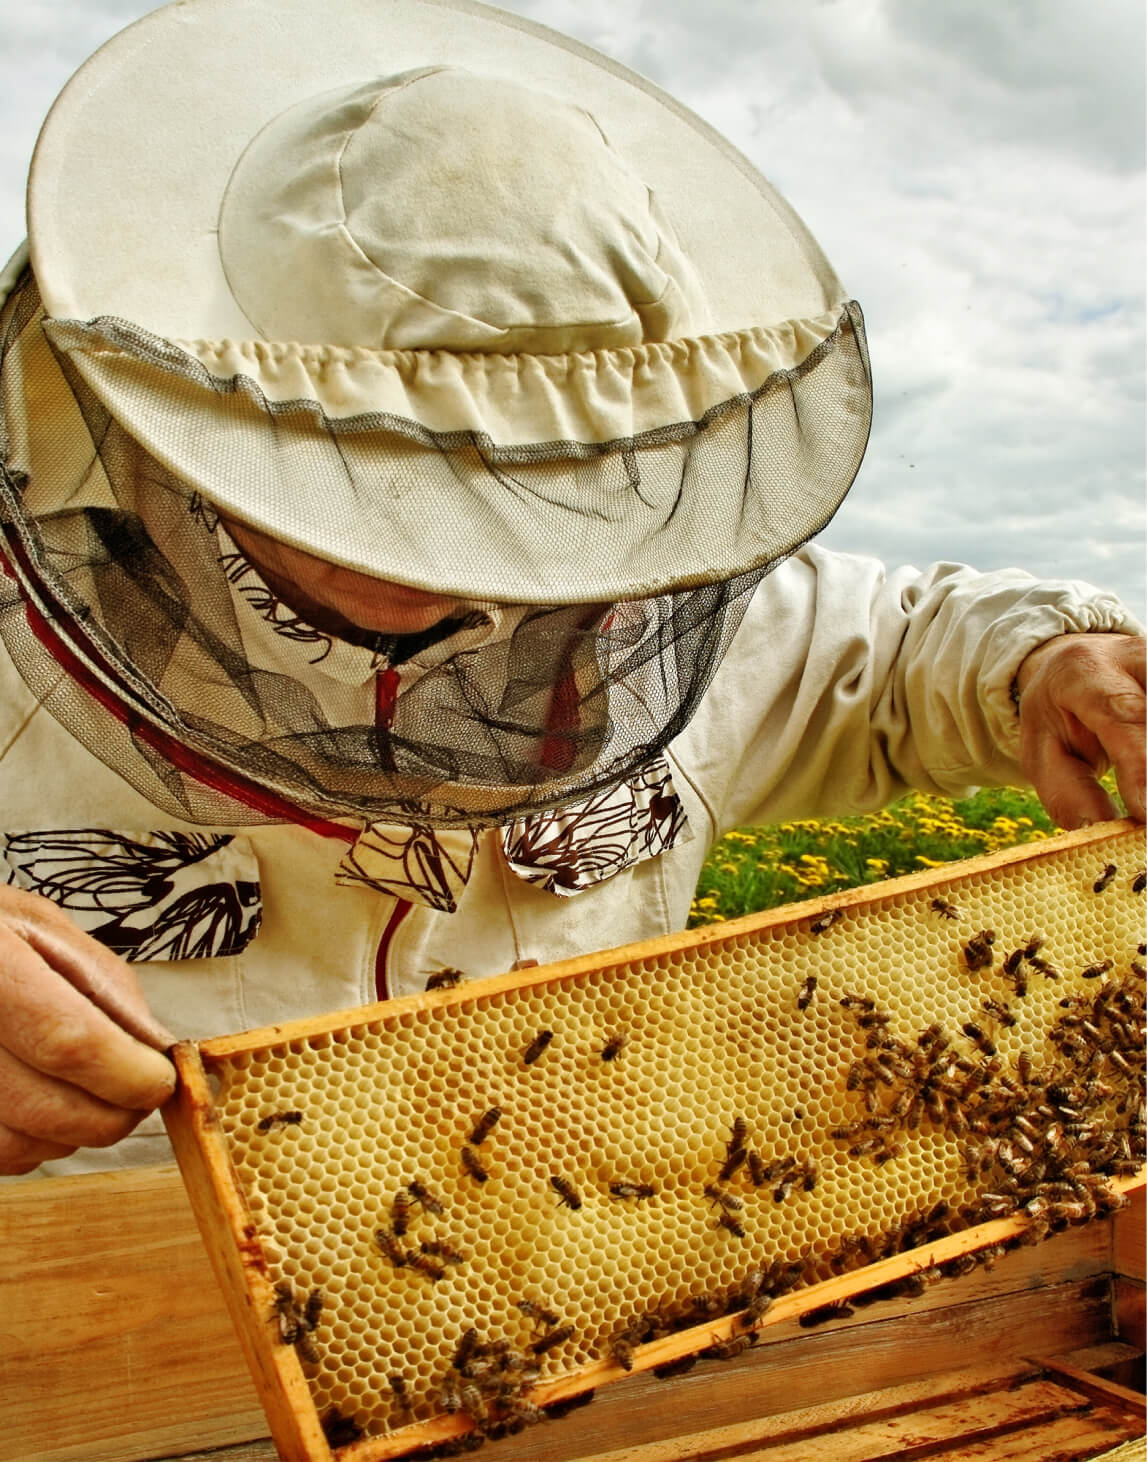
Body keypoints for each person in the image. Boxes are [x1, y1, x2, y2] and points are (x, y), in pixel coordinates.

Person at [0, 0, 1142, 1180]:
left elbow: (904, 650)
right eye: (367, 468)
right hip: (119, 1329)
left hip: (571, 1296)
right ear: (205, 410)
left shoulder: (665, 622)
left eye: (493, 480)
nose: (417, 545)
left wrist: (1052, 658)